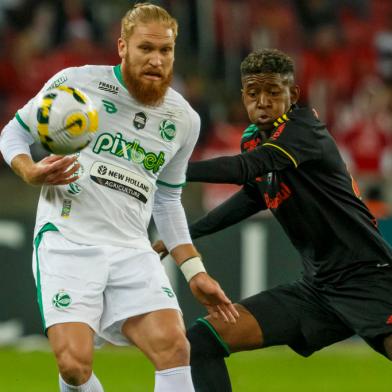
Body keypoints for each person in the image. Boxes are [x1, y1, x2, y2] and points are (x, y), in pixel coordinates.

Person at [0, 3, 238, 392]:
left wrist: (194, 271)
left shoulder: (184, 119)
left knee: (175, 347)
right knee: (74, 367)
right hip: (68, 240)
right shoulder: (76, 84)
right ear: (123, 47)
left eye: (166, 51)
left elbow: (167, 200)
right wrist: (29, 170)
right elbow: (13, 133)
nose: (157, 60)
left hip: (131, 247)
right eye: (146, 49)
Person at [154, 48, 392, 391]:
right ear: (243, 97)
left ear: (292, 95)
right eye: (253, 94)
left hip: (370, 279)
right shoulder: (252, 139)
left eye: (273, 92)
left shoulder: (304, 130)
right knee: (201, 340)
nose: (262, 101)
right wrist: (185, 235)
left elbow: (244, 170)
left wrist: (164, 169)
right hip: (318, 290)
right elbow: (254, 194)